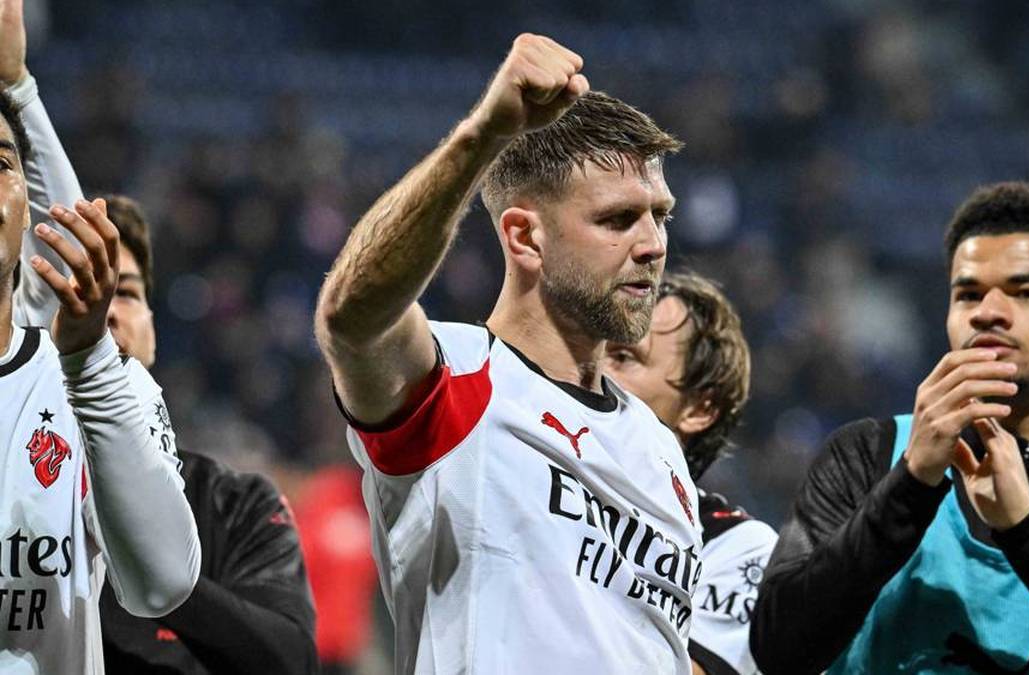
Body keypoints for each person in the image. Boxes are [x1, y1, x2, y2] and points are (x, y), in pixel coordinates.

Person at [315, 34, 702, 674]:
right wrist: (483, 135)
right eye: (617, 219)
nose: (653, 244)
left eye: (660, 216)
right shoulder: (460, 377)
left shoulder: (659, 452)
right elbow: (351, 318)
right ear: (524, 236)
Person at [751, 182, 1029, 673]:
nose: (987, 312)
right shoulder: (866, 455)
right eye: (967, 294)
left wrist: (1027, 531)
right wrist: (910, 484)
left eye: (1026, 292)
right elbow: (778, 649)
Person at [0, 4, 200, 672]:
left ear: (25, 210)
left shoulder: (91, 386)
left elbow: (162, 583)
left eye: (0, 163)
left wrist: (20, 90)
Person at [92, 197, 318, 675]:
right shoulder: (15, 490)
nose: (104, 312)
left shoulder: (235, 504)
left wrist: (161, 569)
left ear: (153, 331)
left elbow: (291, 664)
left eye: (127, 294)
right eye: (82, 289)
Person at [604, 271, 776, 675]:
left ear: (700, 409)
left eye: (625, 358)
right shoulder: (535, 480)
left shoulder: (735, 548)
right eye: (599, 350)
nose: (597, 369)